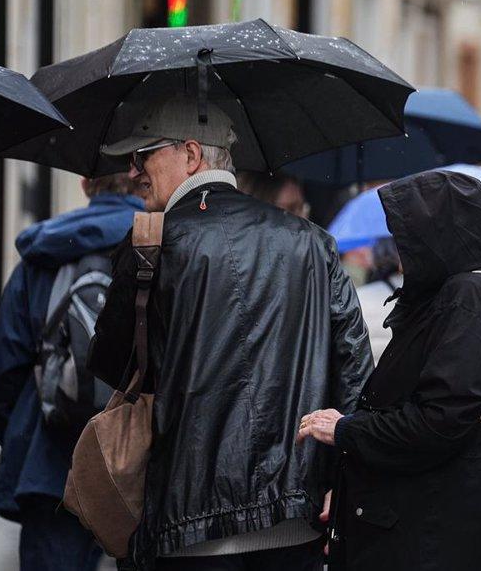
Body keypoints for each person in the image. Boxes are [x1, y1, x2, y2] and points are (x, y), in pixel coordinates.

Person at [89, 96, 371, 569]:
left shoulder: (151, 245)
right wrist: (344, 478)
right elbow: (357, 370)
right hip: (295, 516)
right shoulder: (310, 241)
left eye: (145, 155)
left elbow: (111, 362)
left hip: (189, 521)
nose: (135, 171)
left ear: (192, 154)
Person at [297, 170, 481, 570]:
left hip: (453, 528)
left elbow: (442, 419)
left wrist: (346, 429)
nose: (400, 250)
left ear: (436, 235)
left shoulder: (465, 294)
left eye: (407, 236)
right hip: (480, 519)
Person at [0, 173, 144, 571]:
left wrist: (28, 434)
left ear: (87, 184)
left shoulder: (42, 256)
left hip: (50, 470)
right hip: (140, 473)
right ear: (142, 180)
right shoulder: (161, 247)